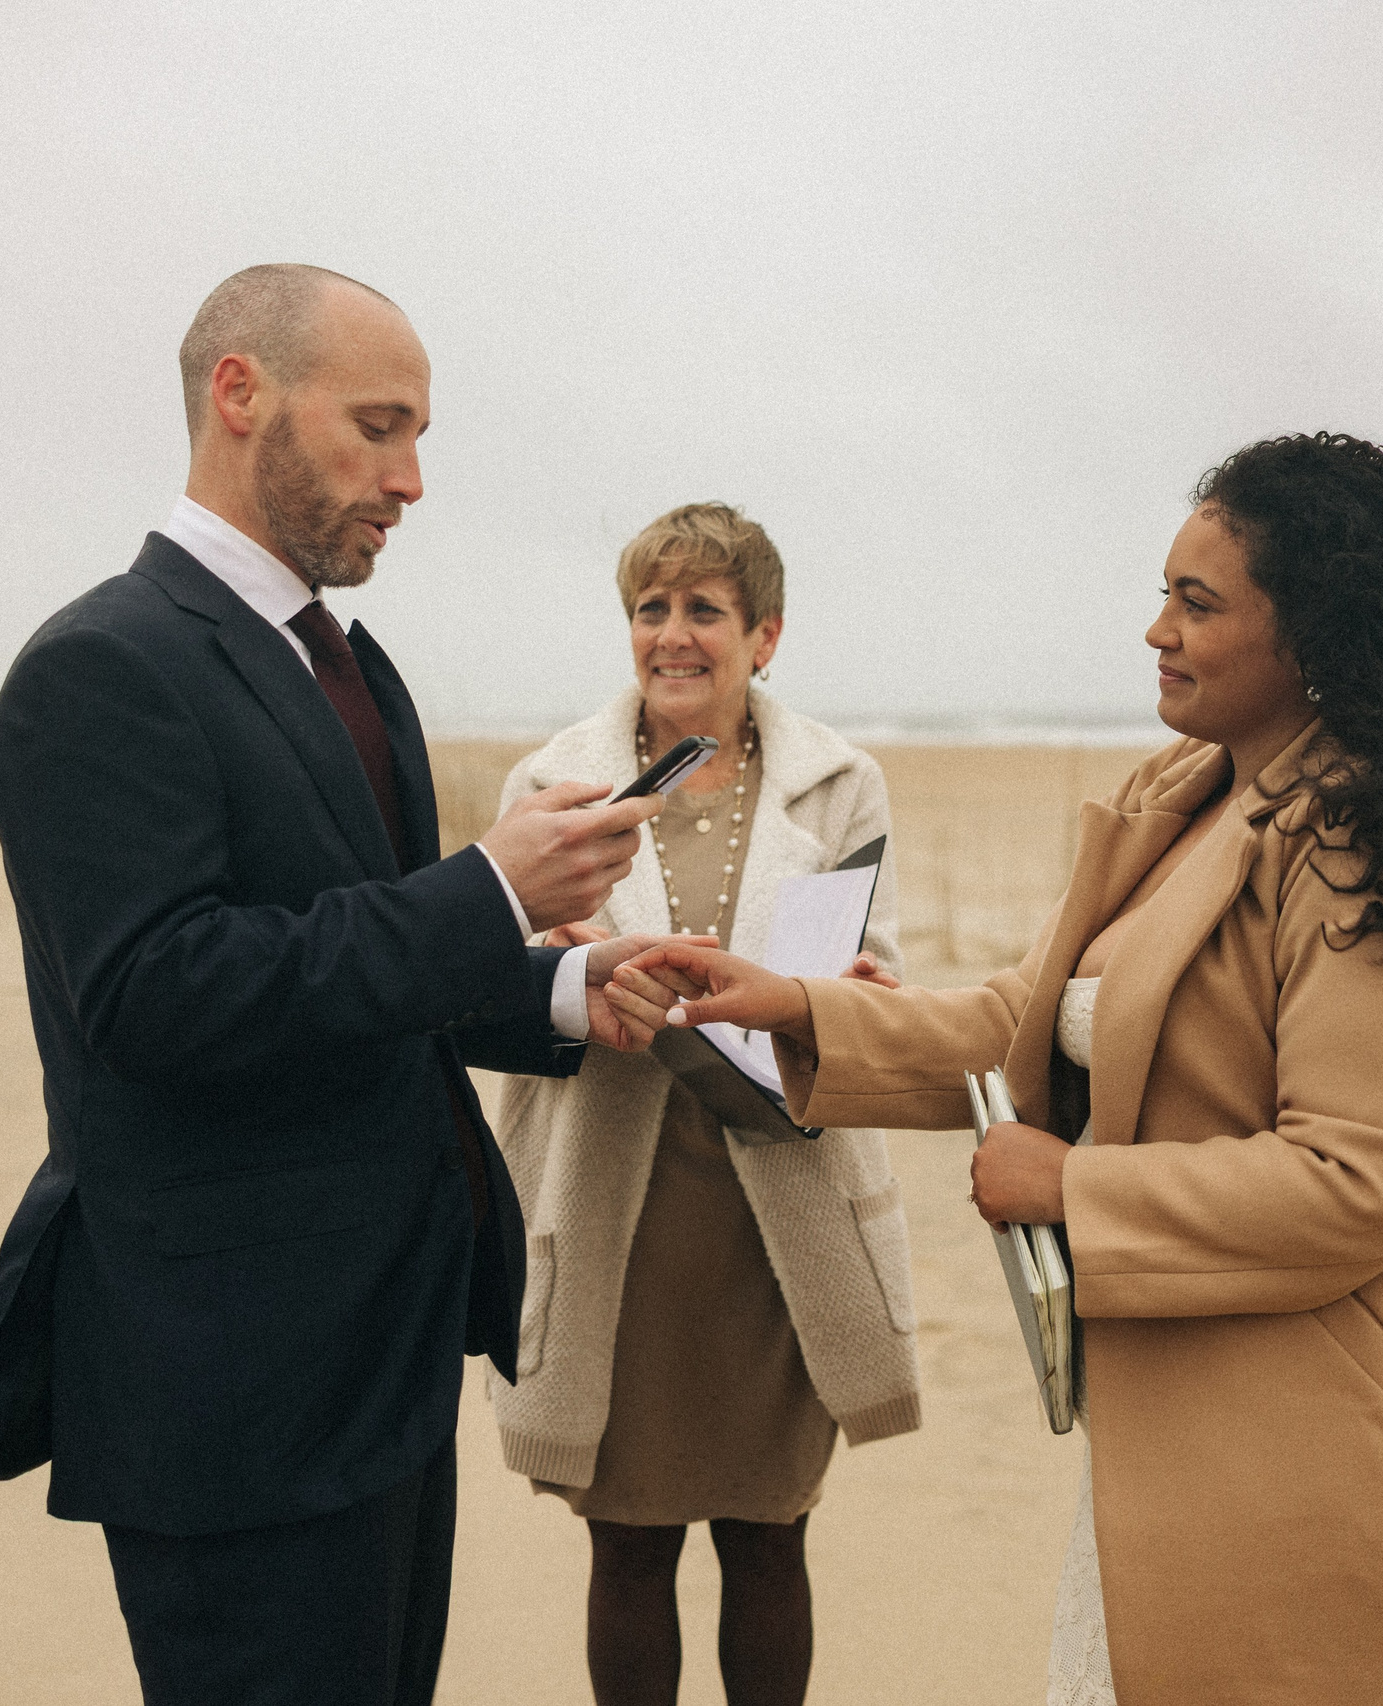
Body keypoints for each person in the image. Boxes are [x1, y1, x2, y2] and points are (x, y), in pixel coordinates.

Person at [614, 434, 1383, 1705]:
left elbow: (1373, 1177)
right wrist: (794, 1006)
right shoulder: (1190, 790)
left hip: (1338, 1440)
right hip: (1182, 1413)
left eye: (1197, 603)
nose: (1155, 629)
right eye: (1162, 593)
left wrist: (1074, 1188)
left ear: (1313, 632)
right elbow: (1035, 1019)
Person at [0, 264, 700, 1706]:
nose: (411, 479)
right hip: (230, 1380)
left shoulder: (352, 663)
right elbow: (155, 997)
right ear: (241, 394)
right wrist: (485, 889)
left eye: (420, 437)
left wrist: (558, 989)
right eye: (380, 426)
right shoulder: (102, 665)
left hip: (388, 1347)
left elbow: (366, 960)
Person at [487, 503, 921, 1706]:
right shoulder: (549, 780)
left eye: (704, 610)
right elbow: (488, 983)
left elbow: (867, 975)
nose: (673, 635)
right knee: (624, 1537)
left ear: (763, 635)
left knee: (769, 1527)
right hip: (612, 1203)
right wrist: (557, 960)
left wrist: (855, 995)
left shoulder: (841, 782)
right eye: (650, 607)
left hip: (774, 1200)